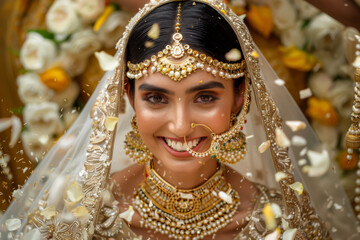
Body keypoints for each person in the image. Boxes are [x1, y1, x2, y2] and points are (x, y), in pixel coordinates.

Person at [0, 0, 359, 239]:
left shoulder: (282, 224)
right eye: (156, 98)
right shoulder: (80, 218)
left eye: (205, 97)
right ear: (128, 97)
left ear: (239, 97)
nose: (181, 125)